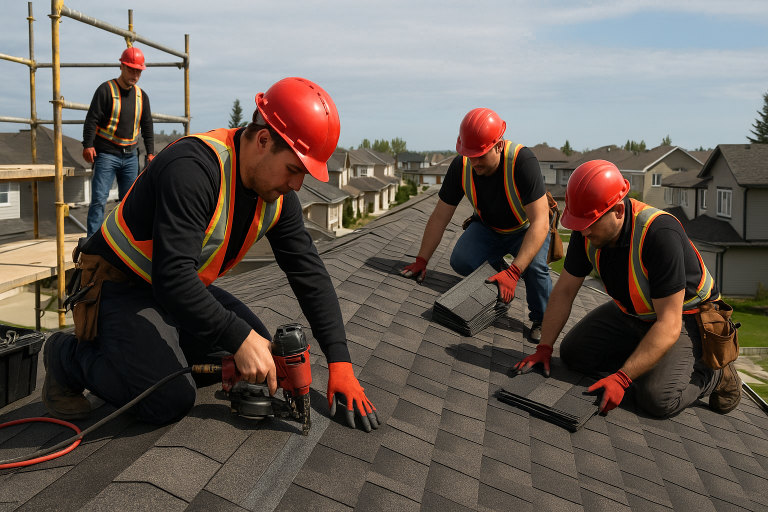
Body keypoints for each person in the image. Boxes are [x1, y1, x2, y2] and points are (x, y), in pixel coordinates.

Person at [44, 77, 380, 432]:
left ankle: (149, 354)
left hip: (175, 292)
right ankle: (67, 358)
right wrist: (235, 336)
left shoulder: (278, 197)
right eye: (294, 170)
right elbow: (172, 278)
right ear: (264, 140)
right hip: (120, 287)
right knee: (169, 398)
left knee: (262, 358)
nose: (296, 186)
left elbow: (308, 274)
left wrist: (340, 362)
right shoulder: (194, 169)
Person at [514, 160, 740, 416]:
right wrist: (544, 347)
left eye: (591, 222)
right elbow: (565, 290)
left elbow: (668, 324)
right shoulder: (585, 227)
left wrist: (621, 378)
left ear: (619, 210)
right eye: (579, 223)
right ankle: (643, 356)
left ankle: (715, 375)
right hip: (633, 312)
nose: (584, 231)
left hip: (685, 319)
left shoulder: (659, 233)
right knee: (573, 355)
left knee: (655, 398)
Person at [401, 108, 552, 340]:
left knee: (535, 269)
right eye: (469, 154)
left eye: (481, 154)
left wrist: (516, 270)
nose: (474, 161)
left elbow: (541, 222)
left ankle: (542, 319)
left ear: (499, 145)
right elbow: (440, 215)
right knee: (461, 260)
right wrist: (422, 259)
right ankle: (500, 275)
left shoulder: (522, 162)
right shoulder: (461, 166)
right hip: (489, 228)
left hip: (526, 229)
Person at [82, 47, 155, 238]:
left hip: (131, 156)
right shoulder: (106, 90)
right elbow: (92, 119)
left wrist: (150, 152)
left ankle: (124, 242)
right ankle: (93, 243)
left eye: (138, 71)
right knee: (99, 199)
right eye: (131, 69)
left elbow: (147, 126)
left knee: (129, 201)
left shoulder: (141, 96)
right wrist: (88, 144)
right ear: (121, 66)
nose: (135, 74)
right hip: (106, 154)